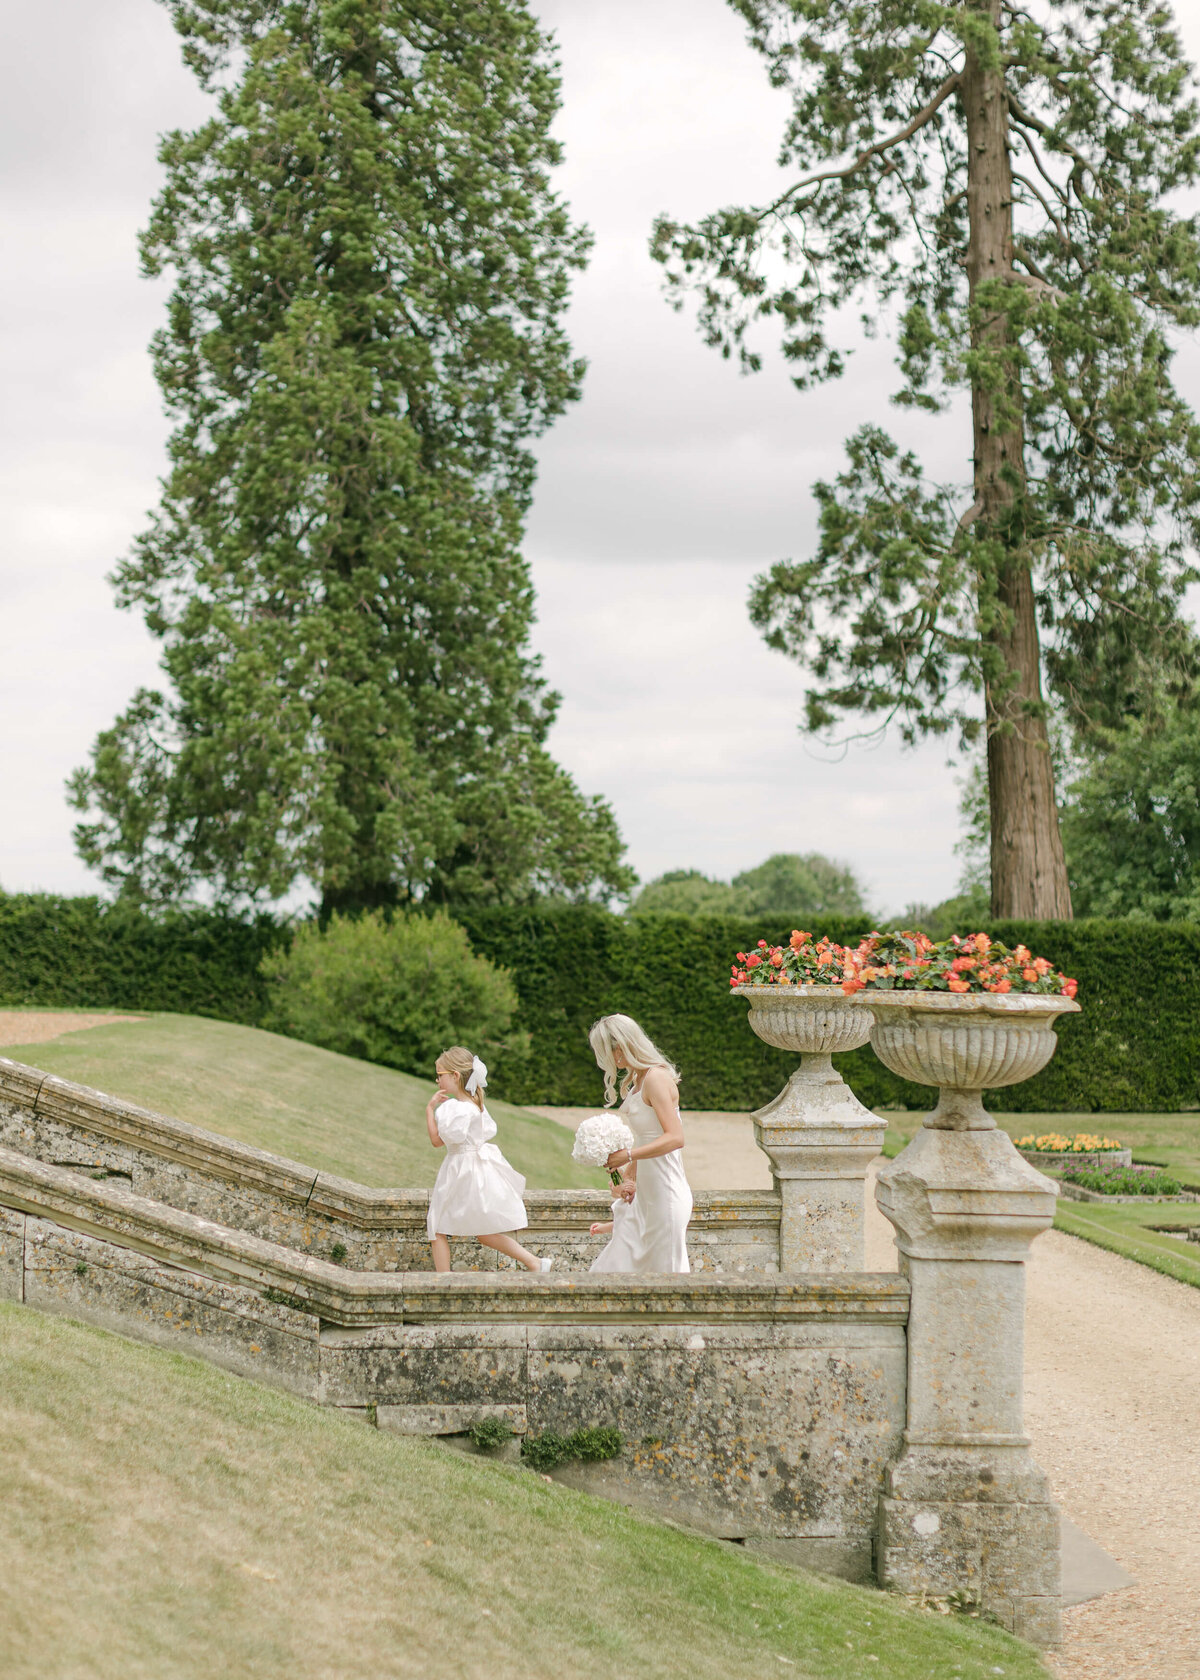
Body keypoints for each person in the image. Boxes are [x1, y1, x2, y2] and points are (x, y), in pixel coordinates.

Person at [425, 1046, 552, 1274]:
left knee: (436, 1225)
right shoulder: (475, 1106)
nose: (437, 1080)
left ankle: (443, 1282)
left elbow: (436, 1141)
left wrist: (429, 1109)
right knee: (482, 1230)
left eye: (440, 1075)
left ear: (455, 1076)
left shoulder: (456, 1109)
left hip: (460, 1170)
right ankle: (535, 1263)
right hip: (474, 1170)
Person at [587, 1015, 692, 1274]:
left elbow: (675, 1138)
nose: (609, 1060)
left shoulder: (655, 1078)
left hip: (665, 1194)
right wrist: (629, 1176)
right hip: (646, 1193)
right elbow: (648, 1136)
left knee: (663, 1278)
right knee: (614, 1268)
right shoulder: (638, 1079)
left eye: (608, 1051)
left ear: (621, 1045)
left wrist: (628, 1155)